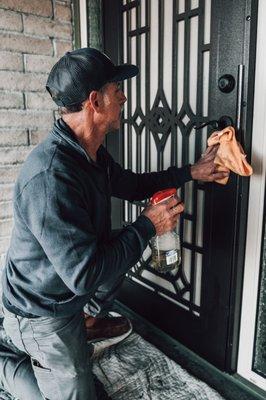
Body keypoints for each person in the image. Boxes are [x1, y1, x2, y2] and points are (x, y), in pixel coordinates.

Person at [0, 48, 229, 400]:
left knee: (119, 250)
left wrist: (192, 172)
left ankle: (85, 323)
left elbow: (134, 186)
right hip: (41, 311)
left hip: (70, 290)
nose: (123, 95)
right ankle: (8, 361)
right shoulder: (50, 178)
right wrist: (148, 225)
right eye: (116, 88)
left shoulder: (89, 152)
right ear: (95, 100)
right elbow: (85, 276)